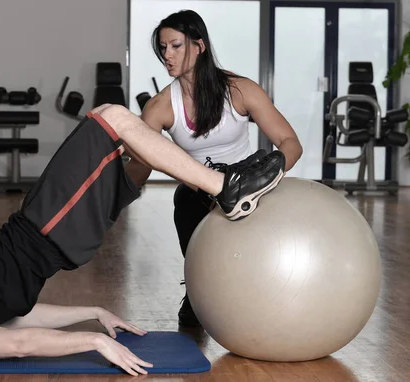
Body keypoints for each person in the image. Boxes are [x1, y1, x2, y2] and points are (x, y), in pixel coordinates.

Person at [0, 103, 286, 376]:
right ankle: (225, 188)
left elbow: (16, 320)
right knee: (109, 118)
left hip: (54, 232)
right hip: (47, 226)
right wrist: (93, 343)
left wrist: (93, 314)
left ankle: (216, 180)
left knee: (131, 170)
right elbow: (19, 346)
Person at [125, 9, 303, 327]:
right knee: (184, 197)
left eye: (175, 46)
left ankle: (264, 288)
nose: (167, 55)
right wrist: (107, 194)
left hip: (249, 183)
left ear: (199, 45)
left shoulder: (239, 90)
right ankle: (197, 290)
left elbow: (290, 142)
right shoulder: (161, 106)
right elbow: (139, 168)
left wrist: (268, 177)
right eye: (163, 48)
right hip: (201, 190)